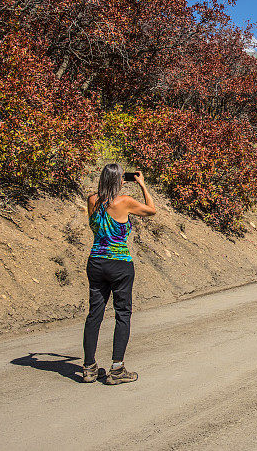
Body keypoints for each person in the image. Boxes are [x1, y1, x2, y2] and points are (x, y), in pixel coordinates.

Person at [82, 164, 156, 384]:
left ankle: (89, 368)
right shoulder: (124, 202)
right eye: (122, 177)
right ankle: (117, 369)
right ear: (118, 181)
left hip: (96, 261)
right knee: (122, 313)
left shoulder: (92, 200)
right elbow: (151, 210)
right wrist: (142, 185)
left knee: (94, 314)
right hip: (119, 263)